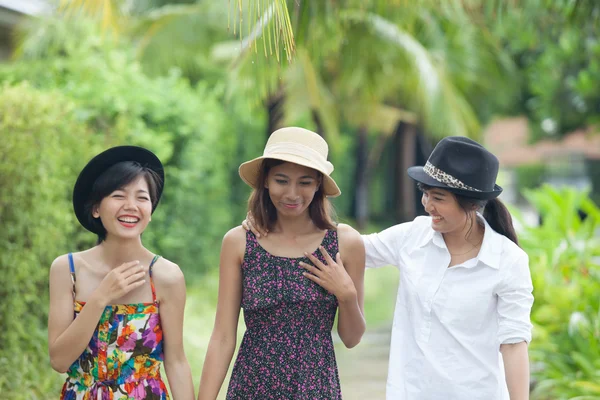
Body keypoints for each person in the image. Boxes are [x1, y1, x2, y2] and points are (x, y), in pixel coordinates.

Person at [244, 136, 534, 400]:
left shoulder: (508, 261)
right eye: (426, 193)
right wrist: (271, 228)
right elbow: (341, 247)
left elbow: (514, 344)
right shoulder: (413, 237)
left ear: (472, 205)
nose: (427, 205)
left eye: (439, 198)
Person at [197, 127, 366, 400]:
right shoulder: (239, 242)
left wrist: (346, 295)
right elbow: (223, 337)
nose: (292, 193)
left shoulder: (345, 243)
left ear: (318, 185)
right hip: (251, 388)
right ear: (265, 181)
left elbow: (351, 338)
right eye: (281, 180)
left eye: (305, 182)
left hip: (315, 389)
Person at [48, 146, 194, 400]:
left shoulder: (167, 276)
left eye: (142, 197)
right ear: (95, 208)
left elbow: (176, 361)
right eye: (118, 195)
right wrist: (101, 296)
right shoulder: (67, 269)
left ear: (150, 211)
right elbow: (59, 360)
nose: (131, 206)